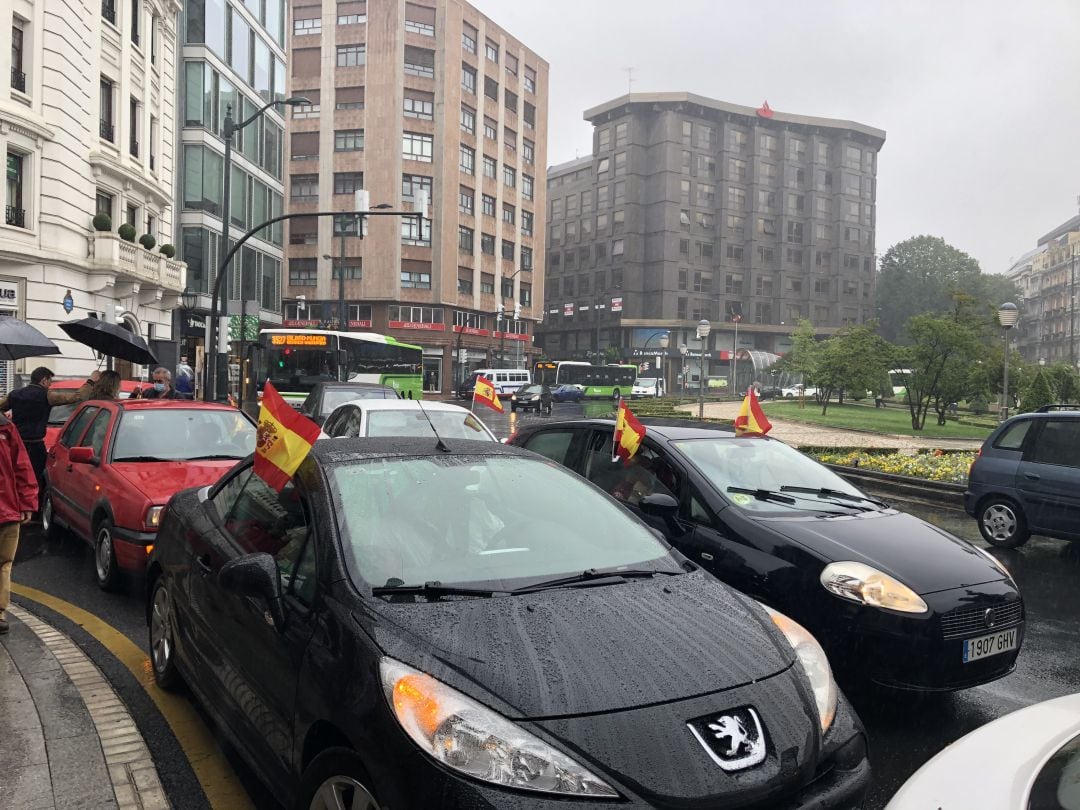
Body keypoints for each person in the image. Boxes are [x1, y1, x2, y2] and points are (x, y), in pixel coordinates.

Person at [0, 367, 96, 508]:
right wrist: (90, 381)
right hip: (35, 445)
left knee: (14, 477)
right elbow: (78, 397)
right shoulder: (47, 396)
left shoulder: (14, 394)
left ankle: (14, 506)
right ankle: (33, 510)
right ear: (44, 380)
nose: (50, 385)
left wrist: (8, 423)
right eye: (49, 381)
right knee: (37, 478)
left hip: (16, 444)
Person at [0, 410, 38, 634]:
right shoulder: (5, 427)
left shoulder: (6, 427)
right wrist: (26, 503)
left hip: (7, 510)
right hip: (7, 508)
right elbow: (21, 466)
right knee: (3, 564)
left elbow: (21, 466)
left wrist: (26, 502)